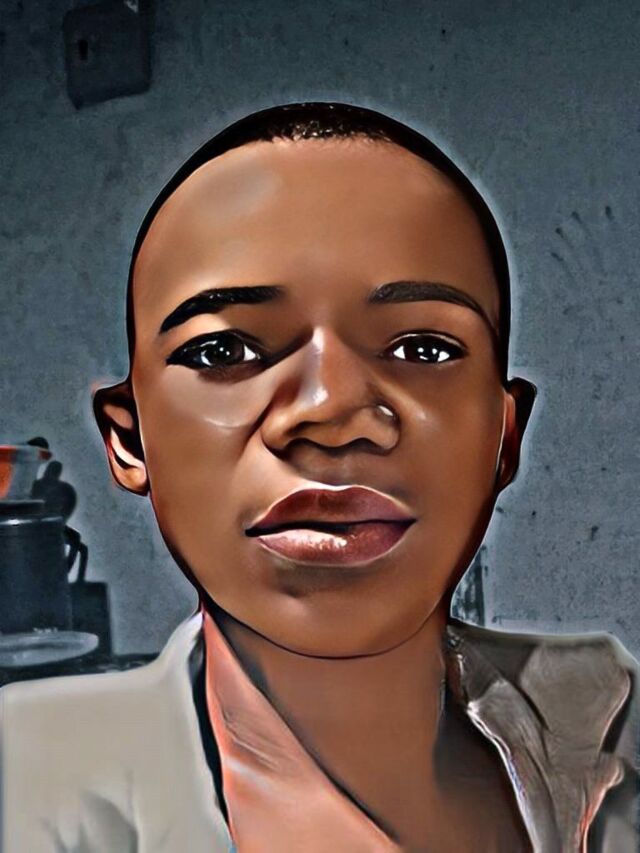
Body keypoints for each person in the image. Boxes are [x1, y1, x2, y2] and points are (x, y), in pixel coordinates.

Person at [0, 103, 637, 852]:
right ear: (132, 437)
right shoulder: (26, 787)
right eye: (223, 352)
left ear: (504, 435)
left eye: (424, 348)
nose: (332, 411)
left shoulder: (606, 722)